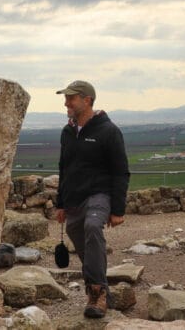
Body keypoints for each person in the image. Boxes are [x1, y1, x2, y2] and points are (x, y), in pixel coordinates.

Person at [54, 80, 130, 319]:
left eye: (71, 98)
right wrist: (61, 203)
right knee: (80, 238)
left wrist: (117, 210)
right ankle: (100, 287)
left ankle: (97, 294)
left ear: (87, 100)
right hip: (74, 197)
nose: (66, 102)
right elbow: (64, 168)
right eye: (66, 98)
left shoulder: (108, 131)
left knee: (93, 227)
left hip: (99, 194)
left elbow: (120, 171)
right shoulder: (67, 132)